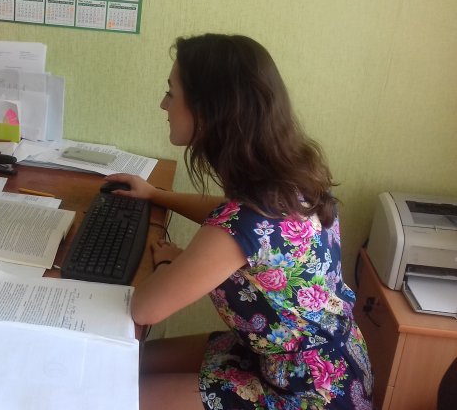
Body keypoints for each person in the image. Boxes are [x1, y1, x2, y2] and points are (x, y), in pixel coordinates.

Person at [106, 34, 373, 410]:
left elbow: (145, 309)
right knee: (125, 363)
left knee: (111, 393)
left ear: (208, 110)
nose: (164, 104)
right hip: (317, 361)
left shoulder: (240, 225)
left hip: (307, 395)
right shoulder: (290, 181)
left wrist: (169, 264)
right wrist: (156, 195)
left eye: (171, 93)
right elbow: (227, 214)